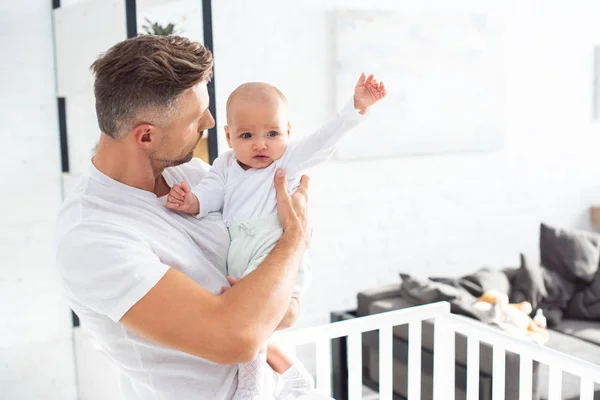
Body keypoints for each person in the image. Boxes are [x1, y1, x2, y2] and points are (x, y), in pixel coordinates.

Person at [54, 35, 311, 400]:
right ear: (145, 136)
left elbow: (276, 302)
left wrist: (281, 305)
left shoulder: (194, 177)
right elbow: (236, 339)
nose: (209, 121)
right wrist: (295, 238)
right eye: (196, 118)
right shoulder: (92, 236)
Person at [166, 76, 386, 398]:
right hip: (240, 252)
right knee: (252, 327)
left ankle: (253, 391)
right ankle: (293, 374)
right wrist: (192, 202)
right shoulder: (225, 165)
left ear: (288, 132)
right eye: (246, 135)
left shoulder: (287, 161)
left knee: (251, 326)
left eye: (272, 133)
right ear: (228, 136)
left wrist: (354, 109)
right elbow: (211, 192)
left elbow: (323, 141)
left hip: (273, 248)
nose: (260, 144)